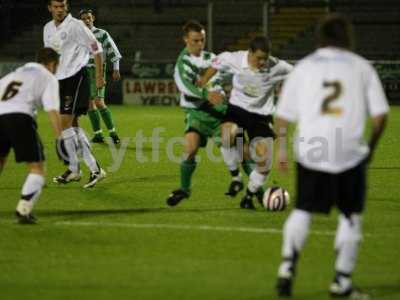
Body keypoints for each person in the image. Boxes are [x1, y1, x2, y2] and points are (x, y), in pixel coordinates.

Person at [274, 14, 389, 298]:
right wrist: (370, 149)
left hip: (312, 150)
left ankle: (287, 267)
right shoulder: (362, 67)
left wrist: (281, 149)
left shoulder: (304, 68)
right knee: (350, 217)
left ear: (320, 38)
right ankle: (342, 281)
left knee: (302, 210)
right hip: (349, 151)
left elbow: (282, 117)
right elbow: (380, 117)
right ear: (347, 38)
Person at [200, 36, 293, 209]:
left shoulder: (277, 66)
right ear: (249, 53)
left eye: (265, 58)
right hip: (237, 110)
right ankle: (236, 177)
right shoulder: (234, 59)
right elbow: (215, 64)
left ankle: (249, 196)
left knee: (264, 162)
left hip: (261, 116)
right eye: (259, 58)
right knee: (227, 133)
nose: (263, 62)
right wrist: (204, 84)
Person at [43, 0, 106, 188]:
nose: (60, 10)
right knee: (71, 126)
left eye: (63, 6)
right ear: (50, 8)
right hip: (59, 81)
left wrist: (99, 75)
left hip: (76, 78)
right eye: (56, 7)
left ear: (66, 7)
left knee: (64, 125)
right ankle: (74, 170)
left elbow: (97, 48)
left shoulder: (76, 26)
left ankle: (94, 169)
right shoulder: (47, 28)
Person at [165, 20, 228, 206]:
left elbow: (222, 78)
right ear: (185, 39)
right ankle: (185, 189)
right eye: (195, 41)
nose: (200, 44)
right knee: (190, 149)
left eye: (202, 40)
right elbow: (186, 87)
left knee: (240, 150)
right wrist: (207, 94)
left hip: (218, 113)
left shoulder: (212, 57)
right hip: (196, 113)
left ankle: (257, 189)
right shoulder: (182, 64)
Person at [0, 47, 62, 224]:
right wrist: (60, 139)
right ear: (52, 63)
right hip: (19, 118)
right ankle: (24, 209)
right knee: (37, 168)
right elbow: (52, 110)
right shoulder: (47, 76)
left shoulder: (14, 74)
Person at [79, 8, 122, 144]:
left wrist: (116, 69)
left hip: (97, 71)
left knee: (99, 101)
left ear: (93, 19)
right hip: (83, 71)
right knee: (89, 103)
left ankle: (113, 133)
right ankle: (98, 134)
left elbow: (113, 51)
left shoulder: (101, 34)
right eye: (84, 18)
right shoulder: (79, 35)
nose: (86, 20)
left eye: (88, 18)